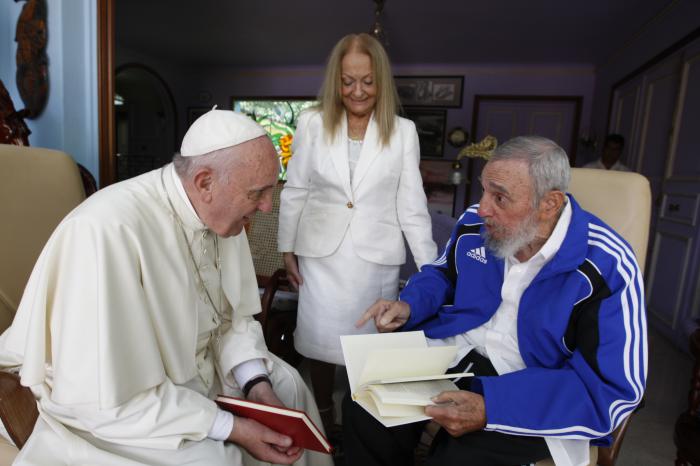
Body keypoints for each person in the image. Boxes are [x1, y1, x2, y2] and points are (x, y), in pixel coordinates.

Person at [0, 109, 332, 466]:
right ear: (205, 183)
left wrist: (258, 388)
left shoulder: (223, 214)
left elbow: (230, 320)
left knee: (288, 387)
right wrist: (232, 427)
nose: (267, 207)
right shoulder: (105, 231)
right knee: (217, 460)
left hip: (197, 373)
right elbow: (107, 397)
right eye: (258, 194)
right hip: (118, 402)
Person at [346, 136, 647, 466]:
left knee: (457, 459)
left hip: (530, 383)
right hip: (455, 354)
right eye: (484, 189)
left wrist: (493, 406)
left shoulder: (606, 264)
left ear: (549, 203)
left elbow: (615, 389)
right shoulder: (476, 223)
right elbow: (443, 272)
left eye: (500, 197)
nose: (483, 207)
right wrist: (411, 305)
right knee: (364, 404)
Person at [278, 33, 437, 431]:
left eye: (366, 80)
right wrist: (287, 248)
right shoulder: (312, 122)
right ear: (336, 81)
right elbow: (296, 188)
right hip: (321, 254)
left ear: (380, 80)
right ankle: (323, 412)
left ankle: (360, 420)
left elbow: (412, 206)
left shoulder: (403, 132)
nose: (357, 91)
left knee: (368, 345)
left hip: (374, 260)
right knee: (317, 339)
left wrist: (432, 269)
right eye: (347, 81)